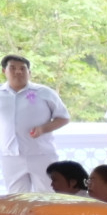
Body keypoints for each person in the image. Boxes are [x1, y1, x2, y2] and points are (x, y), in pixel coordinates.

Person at [0, 54, 69, 194]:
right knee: (16, 199)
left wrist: (43, 128)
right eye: (12, 68)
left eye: (22, 69)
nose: (18, 72)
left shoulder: (44, 92)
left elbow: (63, 117)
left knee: (47, 195)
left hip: (41, 154)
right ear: (4, 71)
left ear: (29, 72)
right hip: (10, 156)